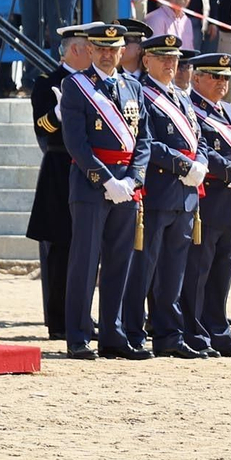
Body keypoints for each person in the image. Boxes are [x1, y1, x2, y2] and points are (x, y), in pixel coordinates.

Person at [61, 22, 149, 361]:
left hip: (126, 187)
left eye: (116, 49)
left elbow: (144, 141)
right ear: (92, 50)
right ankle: (79, 336)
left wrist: (132, 180)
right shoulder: (77, 86)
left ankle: (113, 335)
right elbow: (76, 142)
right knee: (84, 263)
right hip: (90, 185)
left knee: (119, 264)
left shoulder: (132, 87)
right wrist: (105, 180)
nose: (110, 54)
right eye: (103, 49)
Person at [128, 34, 207, 359]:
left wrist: (200, 162)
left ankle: (169, 335)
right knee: (144, 269)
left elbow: (197, 137)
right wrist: (182, 164)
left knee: (174, 271)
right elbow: (146, 141)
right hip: (158, 190)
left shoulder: (182, 97)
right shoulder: (140, 93)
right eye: (163, 57)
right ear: (147, 61)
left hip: (186, 194)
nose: (171, 64)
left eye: (174, 58)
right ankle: (133, 333)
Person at [184, 53, 231, 358]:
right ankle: (196, 332)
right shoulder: (191, 109)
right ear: (197, 78)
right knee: (199, 270)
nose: (221, 83)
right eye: (215, 76)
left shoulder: (230, 111)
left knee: (223, 271)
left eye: (225, 77)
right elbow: (202, 152)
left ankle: (219, 332)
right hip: (210, 197)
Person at [26, 25, 91, 340]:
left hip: (90, 170)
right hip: (60, 170)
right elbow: (41, 126)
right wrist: (60, 110)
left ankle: (81, 316)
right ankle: (58, 320)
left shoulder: (94, 83)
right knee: (60, 249)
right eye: (90, 49)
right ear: (75, 50)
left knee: (88, 248)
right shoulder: (47, 83)